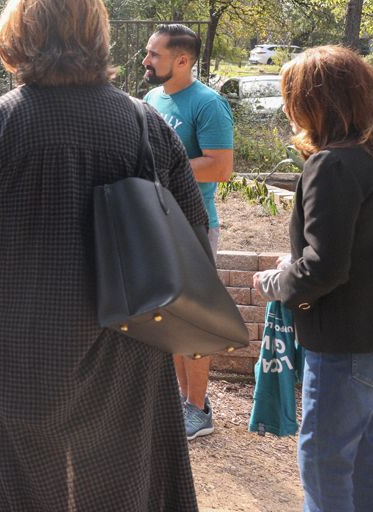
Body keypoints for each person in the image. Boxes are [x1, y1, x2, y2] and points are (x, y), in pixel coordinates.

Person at [0, 0, 204, 511]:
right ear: (97, 34)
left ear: (17, 33)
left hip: (12, 345)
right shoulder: (147, 126)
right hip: (129, 340)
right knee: (120, 483)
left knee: (7, 481)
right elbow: (192, 234)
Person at [253, 46, 373, 512]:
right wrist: (293, 264)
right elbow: (365, 248)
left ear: (313, 102)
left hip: (352, 342)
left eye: (290, 97)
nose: (287, 108)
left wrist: (275, 282)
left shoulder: (332, 164)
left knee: (324, 461)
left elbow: (326, 268)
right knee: (362, 460)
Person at [142, 23, 234, 439]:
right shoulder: (150, 99)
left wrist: (161, 170)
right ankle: (182, 401)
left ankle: (198, 409)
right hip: (156, 223)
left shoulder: (208, 105)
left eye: (154, 54)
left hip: (194, 226)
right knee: (169, 319)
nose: (146, 60)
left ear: (182, 60)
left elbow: (220, 166)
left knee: (194, 319)